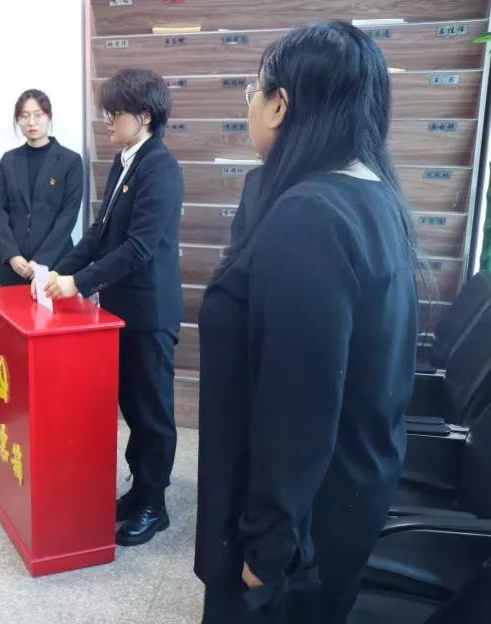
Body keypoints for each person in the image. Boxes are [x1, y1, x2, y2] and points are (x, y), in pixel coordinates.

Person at [194, 21, 420, 623]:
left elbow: (298, 403)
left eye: (254, 90)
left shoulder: (310, 216)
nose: (250, 105)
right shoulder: (373, 196)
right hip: (345, 497)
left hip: (299, 532)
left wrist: (268, 545)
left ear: (281, 105)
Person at [37, 68, 184, 547]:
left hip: (150, 314)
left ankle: (155, 505)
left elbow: (139, 247)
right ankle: (140, 490)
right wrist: (56, 272)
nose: (107, 121)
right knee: (132, 409)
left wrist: (77, 283)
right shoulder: (125, 161)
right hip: (121, 311)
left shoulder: (161, 167)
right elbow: (99, 234)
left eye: (115, 113)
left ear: (144, 116)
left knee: (152, 414)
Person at [0, 89, 83, 286]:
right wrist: (12, 255)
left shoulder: (70, 161)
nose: (31, 122)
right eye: (24, 116)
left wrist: (41, 260)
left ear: (48, 116)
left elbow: (68, 216)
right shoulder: (8, 161)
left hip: (55, 265)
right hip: (14, 267)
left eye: (38, 115)